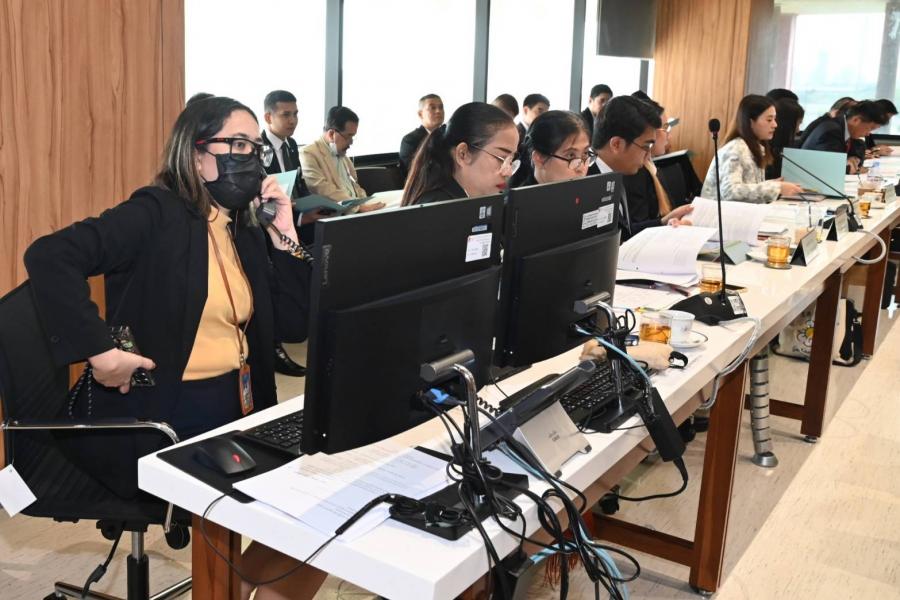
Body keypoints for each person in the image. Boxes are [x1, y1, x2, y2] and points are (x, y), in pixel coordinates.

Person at [24, 96, 324, 600]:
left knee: (323, 503)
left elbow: (293, 326)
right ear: (196, 154)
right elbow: (49, 255)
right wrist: (101, 352)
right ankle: (227, 585)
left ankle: (236, 586)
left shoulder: (241, 227)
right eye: (238, 144)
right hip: (163, 415)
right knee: (286, 507)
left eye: (255, 148)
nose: (251, 158)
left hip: (239, 405)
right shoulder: (154, 213)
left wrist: (285, 235)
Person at [592, 96, 692, 239]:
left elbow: (623, 232)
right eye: (646, 146)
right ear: (616, 144)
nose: (648, 155)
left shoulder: (613, 174)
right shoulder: (588, 185)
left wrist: (663, 222)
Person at [261, 90, 309, 378]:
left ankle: (303, 321)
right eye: (286, 115)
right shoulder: (257, 148)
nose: (293, 120)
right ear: (268, 117)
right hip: (264, 223)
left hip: (290, 219)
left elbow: (298, 188)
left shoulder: (291, 146)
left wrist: (305, 212)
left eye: (295, 114)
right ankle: (277, 340)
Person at [401, 102, 518, 206]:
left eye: (511, 160)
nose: (508, 172)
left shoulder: (464, 202)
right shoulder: (440, 210)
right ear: (463, 154)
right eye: (501, 158)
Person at [700, 94, 803, 203]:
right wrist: (775, 188)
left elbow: (747, 186)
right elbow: (730, 192)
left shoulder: (755, 147)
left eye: (774, 119)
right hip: (719, 212)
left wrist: (771, 184)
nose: (775, 125)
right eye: (769, 120)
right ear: (750, 122)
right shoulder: (735, 149)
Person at [620, 95, 694, 234]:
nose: (668, 135)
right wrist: (666, 223)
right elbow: (634, 228)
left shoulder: (651, 166)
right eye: (665, 127)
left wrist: (672, 220)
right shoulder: (636, 171)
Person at [800, 100, 884, 174]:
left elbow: (858, 150)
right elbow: (831, 167)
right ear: (856, 120)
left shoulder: (846, 128)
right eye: (870, 128)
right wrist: (848, 166)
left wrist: (854, 158)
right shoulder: (832, 131)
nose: (868, 134)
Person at [516, 110, 594, 187]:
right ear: (539, 158)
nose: (581, 168)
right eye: (571, 155)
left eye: (585, 153)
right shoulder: (522, 195)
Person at [399, 94, 445, 176]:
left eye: (441, 107)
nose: (438, 111)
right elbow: (415, 172)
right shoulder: (410, 140)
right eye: (432, 108)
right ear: (420, 114)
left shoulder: (448, 136)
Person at [766, 97, 805, 179]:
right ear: (787, 125)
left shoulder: (775, 149)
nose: (798, 130)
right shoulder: (770, 151)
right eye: (798, 124)